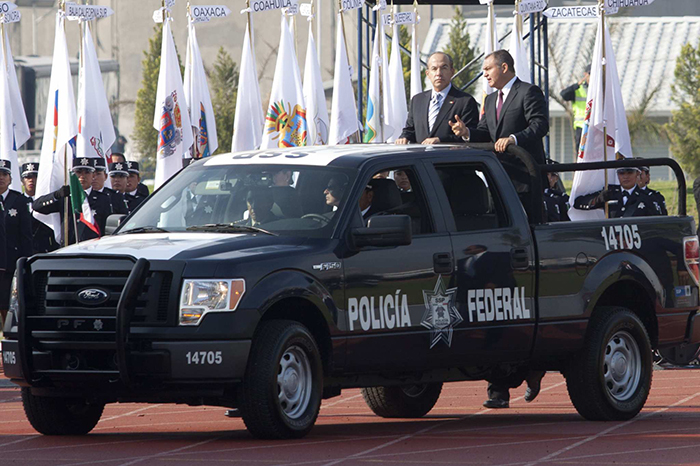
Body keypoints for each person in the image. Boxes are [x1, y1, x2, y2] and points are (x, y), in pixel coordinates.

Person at [449, 49, 549, 166]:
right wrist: (466, 132)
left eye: (488, 69)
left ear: (504, 68)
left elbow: (540, 125)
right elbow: (485, 133)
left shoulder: (528, 91)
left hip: (526, 169)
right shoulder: (490, 99)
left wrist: (513, 139)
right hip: (499, 170)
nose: (485, 74)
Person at [395, 52, 479, 145]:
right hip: (420, 153)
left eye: (444, 68)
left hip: (449, 153)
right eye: (434, 69)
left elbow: (470, 136)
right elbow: (410, 129)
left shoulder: (465, 101)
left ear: (452, 71)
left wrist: (441, 140)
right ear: (428, 74)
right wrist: (404, 137)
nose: (438, 73)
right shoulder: (417, 100)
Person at [33, 158, 112, 244]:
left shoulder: (103, 199)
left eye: (87, 172)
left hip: (93, 246)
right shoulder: (66, 198)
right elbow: (37, 206)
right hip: (69, 246)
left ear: (93, 175)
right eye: (78, 172)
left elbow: (107, 226)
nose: (82, 176)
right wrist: (56, 195)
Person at [0, 160, 32, 326]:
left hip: (10, 260)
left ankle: (7, 332)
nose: (1, 178)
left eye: (4, 174)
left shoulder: (19, 200)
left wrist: (26, 261)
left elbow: (25, 234)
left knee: (6, 301)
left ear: (10, 179)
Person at [573, 167, 661, 218]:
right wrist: (598, 199)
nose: (625, 177)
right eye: (621, 173)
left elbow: (656, 224)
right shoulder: (610, 193)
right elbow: (578, 202)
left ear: (637, 174)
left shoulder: (647, 197)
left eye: (629, 173)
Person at [21, 163, 59, 253]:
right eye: (28, 177)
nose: (31, 180)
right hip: (23, 250)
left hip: (45, 249)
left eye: (35, 177)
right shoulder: (17, 201)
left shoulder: (49, 201)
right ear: (22, 181)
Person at [560, 65, 591, 150]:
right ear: (585, 74)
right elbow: (564, 94)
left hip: (595, 126)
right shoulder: (578, 89)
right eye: (590, 74)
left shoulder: (600, 89)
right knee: (581, 151)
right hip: (581, 126)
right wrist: (576, 85)